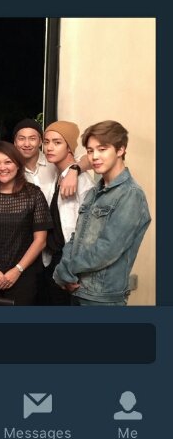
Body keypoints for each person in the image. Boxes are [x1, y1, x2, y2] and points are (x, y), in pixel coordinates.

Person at [53, 121, 151, 305]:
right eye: (90, 151)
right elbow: (76, 236)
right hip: (78, 291)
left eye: (102, 149)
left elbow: (107, 249)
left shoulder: (131, 194)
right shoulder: (94, 191)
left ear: (120, 150)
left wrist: (67, 269)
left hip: (102, 298)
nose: (94, 157)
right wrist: (63, 268)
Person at [0, 141, 52, 305]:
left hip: (24, 274)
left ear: (18, 165)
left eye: (8, 162)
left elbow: (40, 241)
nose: (2, 168)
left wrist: (17, 270)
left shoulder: (34, 194)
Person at [40, 121, 95, 304]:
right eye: (46, 142)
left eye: (57, 142)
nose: (49, 147)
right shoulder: (59, 175)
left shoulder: (82, 181)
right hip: (54, 259)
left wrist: (74, 271)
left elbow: (89, 231)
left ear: (70, 147)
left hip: (70, 261)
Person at [13, 117, 90, 199]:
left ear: (40, 142)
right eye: (21, 139)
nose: (27, 144)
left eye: (32, 139)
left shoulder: (54, 160)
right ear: (15, 142)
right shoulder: (12, 169)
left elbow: (89, 160)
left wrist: (73, 170)